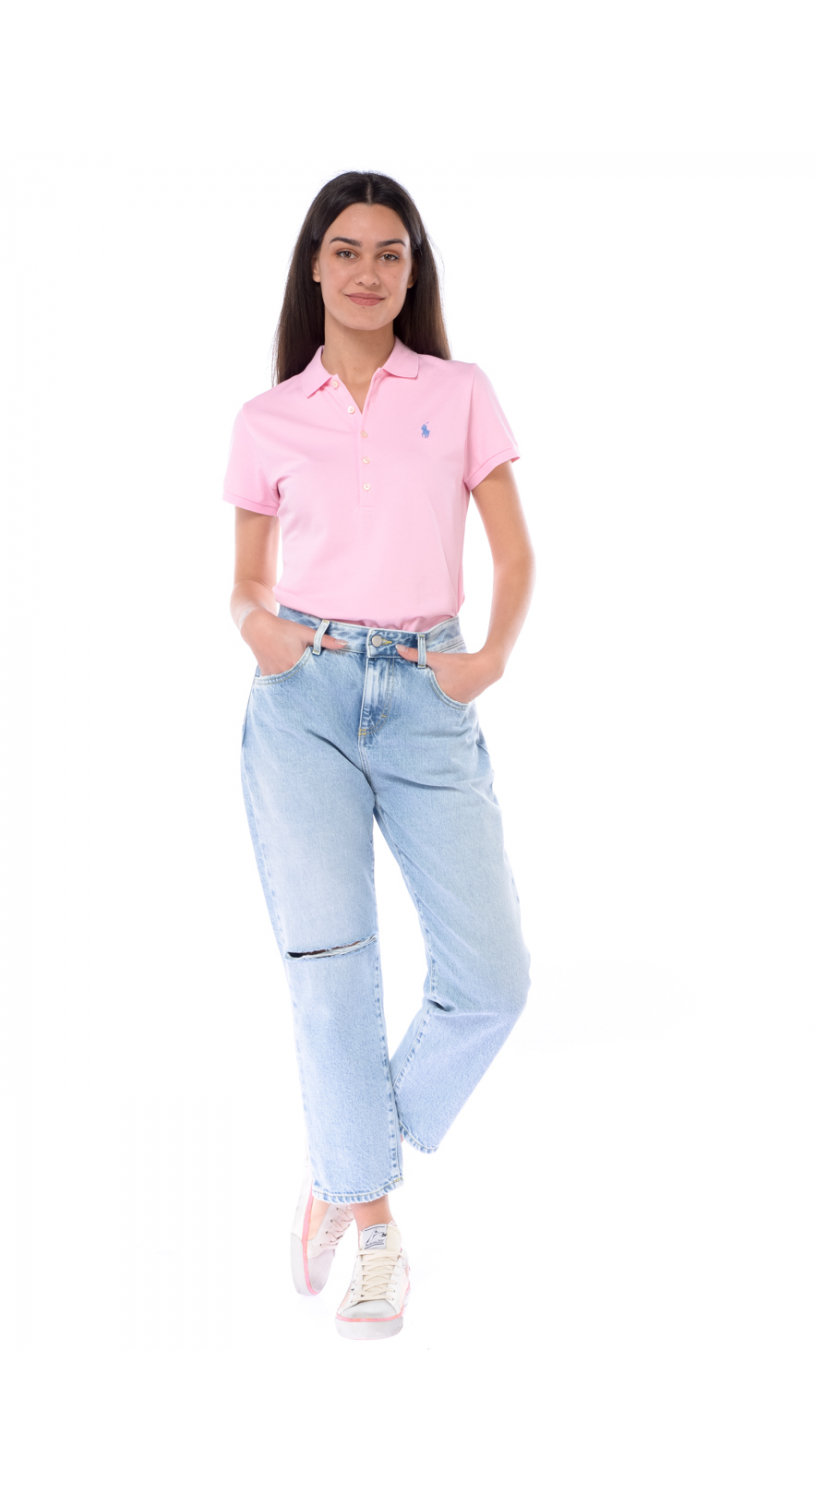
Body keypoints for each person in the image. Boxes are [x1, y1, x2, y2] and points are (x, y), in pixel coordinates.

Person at [224, 170, 535, 1341]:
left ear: (413, 272)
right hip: (301, 697)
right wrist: (257, 629)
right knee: (330, 968)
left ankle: (338, 1160)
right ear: (315, 265)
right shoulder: (268, 419)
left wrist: (487, 659)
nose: (367, 271)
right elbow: (246, 579)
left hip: (424, 688)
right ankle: (375, 1235)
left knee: (492, 980)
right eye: (346, 250)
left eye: (389, 253)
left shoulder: (458, 393)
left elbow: (515, 551)